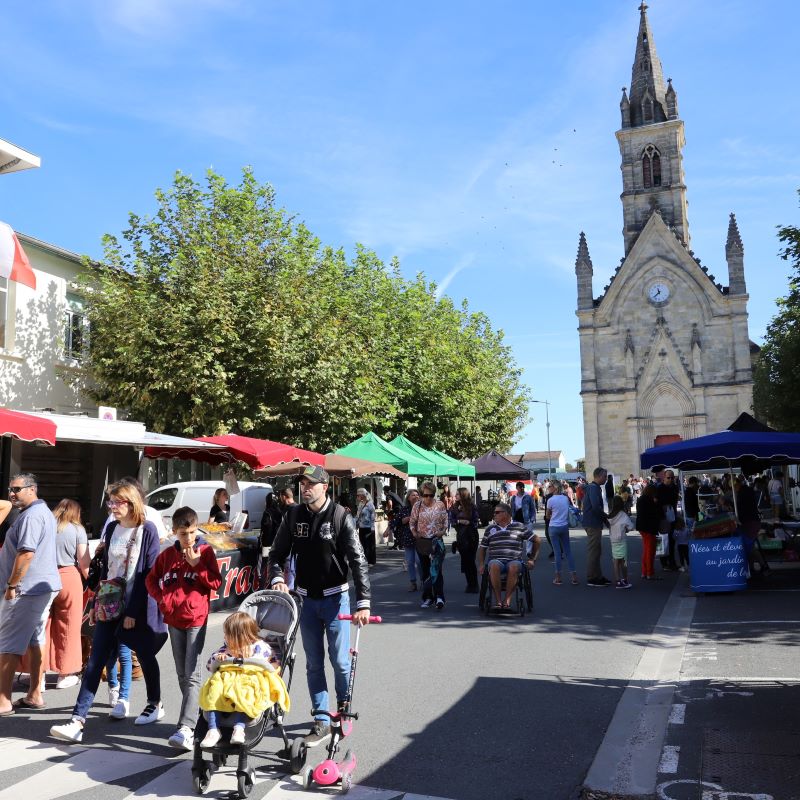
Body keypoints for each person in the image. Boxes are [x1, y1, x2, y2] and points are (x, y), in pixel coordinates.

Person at [50, 481, 168, 743]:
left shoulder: (147, 529)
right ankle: (77, 720)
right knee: (95, 662)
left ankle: (154, 702)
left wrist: (133, 612)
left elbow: (148, 574)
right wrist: (95, 604)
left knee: (146, 655)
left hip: (136, 606)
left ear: (131, 503)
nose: (112, 507)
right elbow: (105, 571)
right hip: (110, 603)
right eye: (110, 502)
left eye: (117, 502)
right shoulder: (113, 528)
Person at [267, 465, 370, 748]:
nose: (305, 488)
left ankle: (343, 704)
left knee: (339, 660)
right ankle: (322, 718)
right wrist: (277, 577)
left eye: (311, 483)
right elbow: (276, 553)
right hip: (305, 600)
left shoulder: (340, 516)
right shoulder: (292, 515)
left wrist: (363, 602)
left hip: (336, 598)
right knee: (313, 663)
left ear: (325, 486)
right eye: (303, 483)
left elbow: (358, 560)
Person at [145, 506, 222, 751]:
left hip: (196, 618)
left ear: (196, 529)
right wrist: (161, 598)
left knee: (193, 674)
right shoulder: (167, 556)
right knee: (181, 673)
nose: (188, 538)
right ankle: (198, 716)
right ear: (175, 532)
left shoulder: (206, 551)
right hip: (174, 618)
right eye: (182, 534)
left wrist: (198, 564)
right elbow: (150, 579)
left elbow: (216, 582)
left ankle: (185, 727)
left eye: (191, 532)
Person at [0, 474, 61, 715]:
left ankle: (3, 701)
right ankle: (35, 693)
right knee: (36, 640)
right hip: (39, 587)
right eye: (10, 489)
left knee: (8, 643)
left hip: (26, 590)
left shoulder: (33, 515)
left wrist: (13, 585)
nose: (12, 493)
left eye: (17, 489)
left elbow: (26, 553)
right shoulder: (38, 512)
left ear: (32, 489)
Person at [198, 611, 276, 747]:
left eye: (228, 634)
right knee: (214, 688)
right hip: (227, 681)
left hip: (249, 680)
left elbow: (269, 665)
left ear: (241, 635)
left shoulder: (259, 647)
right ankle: (213, 729)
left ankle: (239, 728)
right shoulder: (227, 649)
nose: (225, 637)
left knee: (243, 691)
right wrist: (219, 658)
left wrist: (248, 660)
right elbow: (210, 666)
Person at [48, 499, 90, 689]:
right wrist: (93, 583)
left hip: (45, 575)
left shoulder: (47, 525)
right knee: (69, 626)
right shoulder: (77, 529)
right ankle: (64, 674)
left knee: (42, 628)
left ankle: (37, 676)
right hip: (68, 577)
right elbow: (83, 561)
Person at [478, 503, 538, 610]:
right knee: (494, 565)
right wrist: (482, 564)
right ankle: (498, 601)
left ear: (506, 514)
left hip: (514, 560)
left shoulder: (519, 526)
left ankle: (507, 601)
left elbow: (537, 540)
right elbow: (482, 548)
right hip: (496, 560)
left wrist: (532, 559)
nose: (494, 515)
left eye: (497, 512)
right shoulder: (490, 529)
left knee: (514, 566)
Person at [410, 481, 449, 610]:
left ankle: (439, 597)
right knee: (425, 570)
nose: (428, 498)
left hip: (436, 541)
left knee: (436, 569)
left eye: (431, 495)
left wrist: (442, 532)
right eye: (425, 495)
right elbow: (412, 522)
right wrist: (415, 533)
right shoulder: (417, 506)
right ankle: (428, 597)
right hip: (422, 542)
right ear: (421, 495)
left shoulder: (440, 505)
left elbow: (445, 521)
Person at [582, 467, 611, 586]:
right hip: (593, 523)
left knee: (597, 551)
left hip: (592, 522)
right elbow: (595, 507)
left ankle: (597, 575)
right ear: (598, 476)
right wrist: (606, 518)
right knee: (594, 551)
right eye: (604, 476)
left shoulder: (593, 487)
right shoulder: (594, 488)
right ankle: (592, 577)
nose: (605, 478)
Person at [545, 482, 578, 586]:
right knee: (568, 552)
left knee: (557, 553)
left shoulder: (550, 500)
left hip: (554, 527)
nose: (548, 488)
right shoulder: (565, 498)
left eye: (550, 486)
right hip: (564, 526)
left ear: (554, 488)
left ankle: (558, 577)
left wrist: (553, 517)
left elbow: (547, 515)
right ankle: (574, 577)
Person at [450, 487, 480, 593]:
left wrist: (469, 523)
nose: (455, 496)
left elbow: (476, 521)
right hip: (461, 536)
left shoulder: (472, 506)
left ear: (463, 495)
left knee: (471, 560)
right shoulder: (454, 507)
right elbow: (452, 521)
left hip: (471, 536)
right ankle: (469, 583)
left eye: (458, 494)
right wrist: (460, 521)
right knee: (465, 560)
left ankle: (474, 584)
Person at [636, 482, 661, 580]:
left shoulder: (641, 499)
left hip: (642, 527)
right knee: (650, 551)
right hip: (649, 528)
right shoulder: (650, 500)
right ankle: (649, 572)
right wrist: (656, 503)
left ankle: (644, 571)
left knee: (646, 550)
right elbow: (654, 513)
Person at [608, 496, 634, 589]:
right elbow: (631, 527)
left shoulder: (611, 515)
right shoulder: (623, 515)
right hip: (621, 539)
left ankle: (618, 580)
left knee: (615, 560)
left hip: (613, 540)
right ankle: (625, 579)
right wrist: (626, 529)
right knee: (623, 561)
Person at [397, 489, 420, 591]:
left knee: (419, 561)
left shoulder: (422, 508)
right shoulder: (405, 509)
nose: (415, 496)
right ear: (409, 498)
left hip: (420, 537)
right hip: (408, 537)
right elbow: (401, 520)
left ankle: (424, 580)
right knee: (410, 561)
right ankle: (413, 582)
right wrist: (409, 518)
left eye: (417, 495)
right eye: (413, 495)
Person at [656, 470, 680, 570]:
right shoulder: (659, 488)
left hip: (672, 516)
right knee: (662, 540)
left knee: (671, 540)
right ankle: (664, 563)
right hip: (662, 518)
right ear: (664, 478)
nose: (670, 479)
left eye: (672, 478)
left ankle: (671, 562)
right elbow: (657, 504)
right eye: (668, 478)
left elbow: (675, 502)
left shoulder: (674, 487)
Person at [355, 487, 376, 566]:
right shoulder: (361, 504)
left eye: (358, 495)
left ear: (362, 495)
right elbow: (358, 515)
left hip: (368, 527)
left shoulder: (370, 504)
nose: (357, 497)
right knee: (362, 544)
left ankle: (371, 561)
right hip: (361, 527)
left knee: (369, 545)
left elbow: (373, 516)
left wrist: (372, 527)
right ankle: (364, 560)